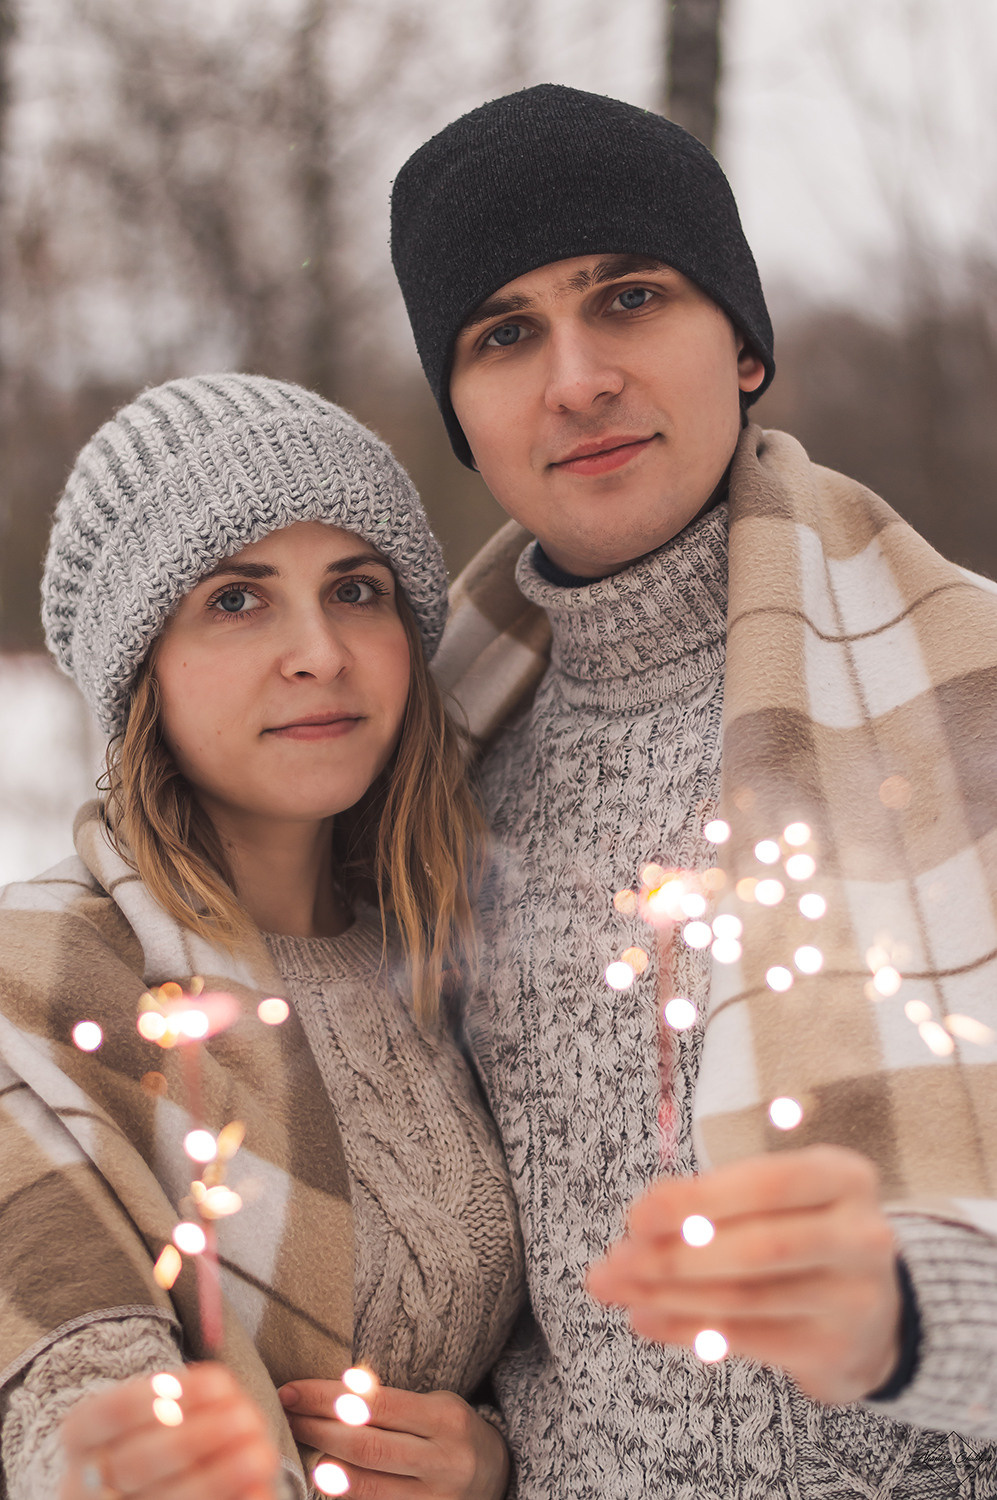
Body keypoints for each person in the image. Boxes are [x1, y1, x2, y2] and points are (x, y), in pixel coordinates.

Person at [389, 84, 997, 1495]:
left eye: (631, 297)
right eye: (503, 333)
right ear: (463, 418)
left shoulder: (967, 698)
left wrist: (914, 1320)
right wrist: (495, 1455)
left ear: (742, 346)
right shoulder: (422, 782)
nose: (577, 378)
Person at [0, 373, 524, 1500]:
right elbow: (64, 1358)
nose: (320, 653)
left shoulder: (455, 957)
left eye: (356, 590)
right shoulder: (37, 985)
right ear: (141, 668)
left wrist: (496, 1461)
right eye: (237, 600)